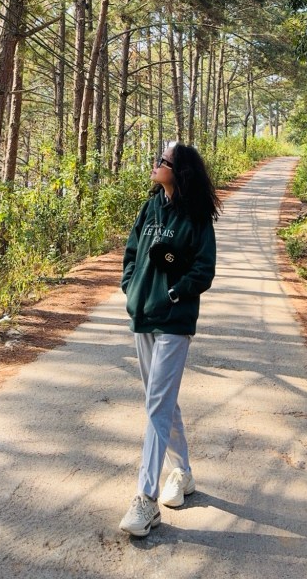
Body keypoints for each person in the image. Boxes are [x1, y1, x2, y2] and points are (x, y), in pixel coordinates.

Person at [119, 141, 220, 538]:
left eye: (163, 161)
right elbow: (132, 253)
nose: (156, 164)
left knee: (157, 405)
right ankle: (183, 471)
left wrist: (175, 293)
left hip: (175, 321)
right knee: (159, 400)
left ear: (179, 172)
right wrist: (132, 289)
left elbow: (204, 269)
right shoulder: (150, 208)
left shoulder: (196, 217)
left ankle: (145, 499)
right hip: (143, 315)